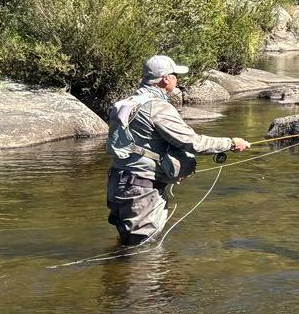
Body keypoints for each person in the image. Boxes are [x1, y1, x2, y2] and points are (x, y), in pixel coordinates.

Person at [104, 55, 249, 246]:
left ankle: (117, 275)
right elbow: (192, 142)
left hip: (118, 181)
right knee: (142, 251)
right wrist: (230, 143)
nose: (176, 79)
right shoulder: (156, 107)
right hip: (142, 187)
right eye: (174, 75)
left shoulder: (127, 103)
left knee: (127, 245)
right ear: (166, 79)